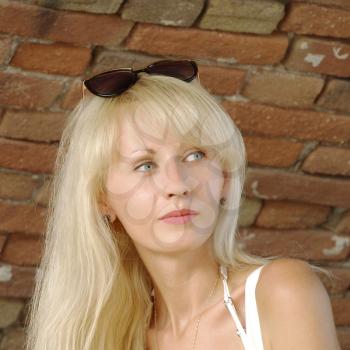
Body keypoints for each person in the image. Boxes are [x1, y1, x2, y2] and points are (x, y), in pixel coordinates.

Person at [25, 60, 341, 350]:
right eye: (145, 165)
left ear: (226, 177)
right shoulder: (99, 336)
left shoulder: (280, 293)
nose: (177, 185)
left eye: (195, 155)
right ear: (102, 200)